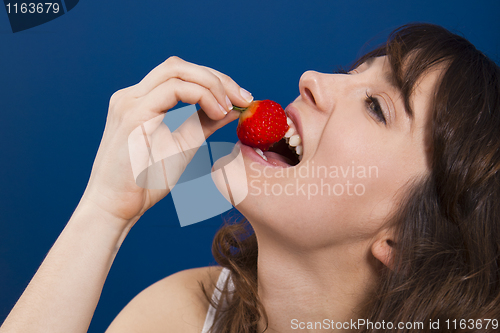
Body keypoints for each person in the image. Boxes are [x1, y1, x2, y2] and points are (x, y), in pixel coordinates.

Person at [1, 23, 499, 333]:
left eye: (376, 106)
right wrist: (106, 212)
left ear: (407, 243)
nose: (312, 79)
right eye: (354, 71)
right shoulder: (184, 313)